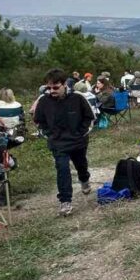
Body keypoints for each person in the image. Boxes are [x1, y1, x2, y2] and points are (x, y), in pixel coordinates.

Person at [33, 69, 94, 216]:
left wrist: (80, 132)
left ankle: (84, 179)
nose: (52, 91)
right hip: (58, 143)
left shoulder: (78, 98)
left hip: (78, 141)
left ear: (64, 84)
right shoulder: (43, 101)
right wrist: (48, 134)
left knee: (81, 164)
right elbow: (38, 121)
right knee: (62, 169)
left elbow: (89, 117)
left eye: (55, 87)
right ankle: (65, 201)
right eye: (49, 88)